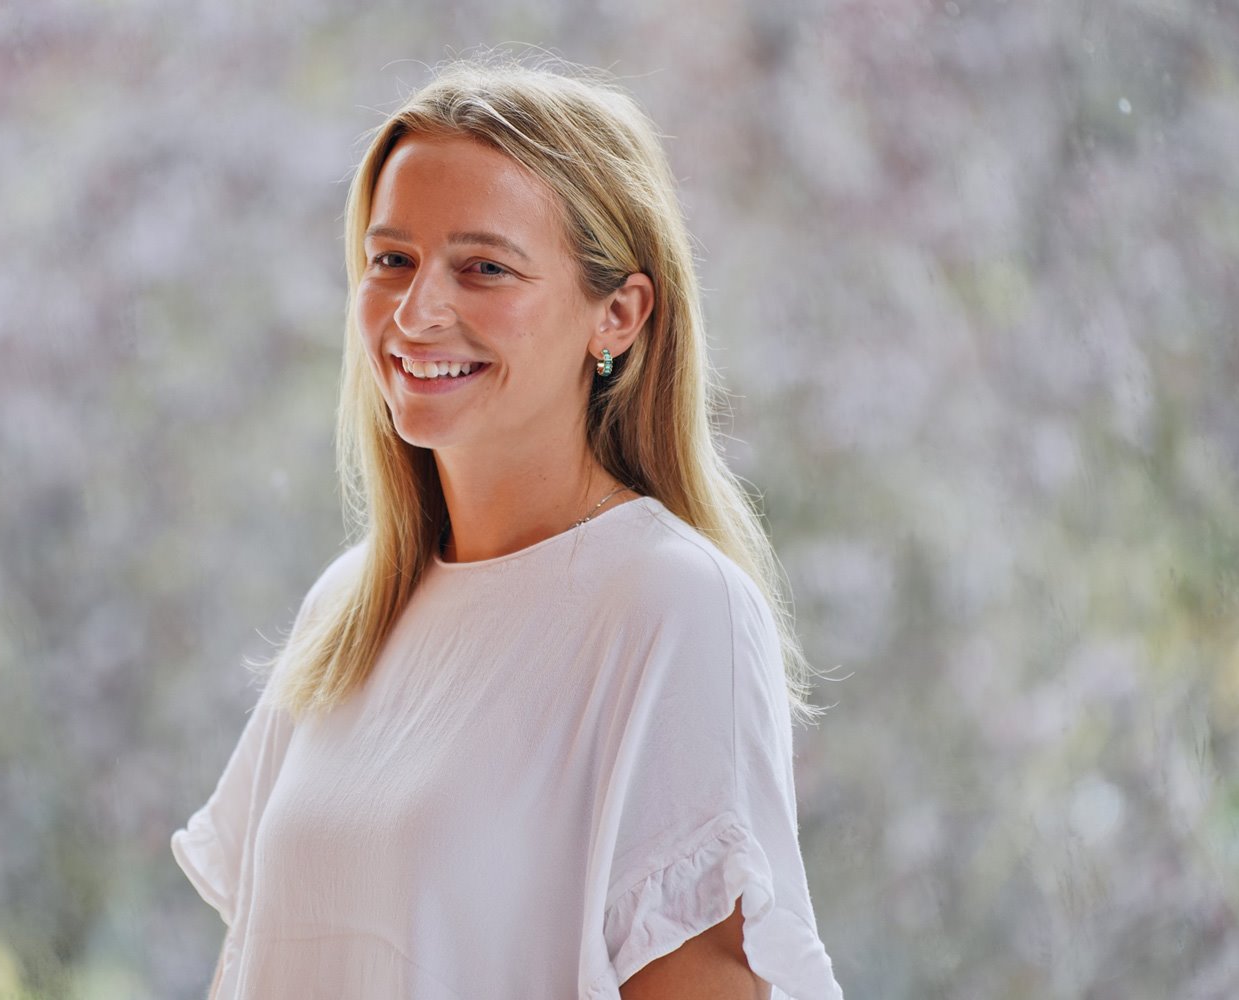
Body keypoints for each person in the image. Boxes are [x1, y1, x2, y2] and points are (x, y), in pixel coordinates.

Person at [171, 56, 843, 1000]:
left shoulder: (669, 606)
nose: (416, 312)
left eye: (483, 267)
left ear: (618, 314)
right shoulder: (352, 606)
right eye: (390, 259)